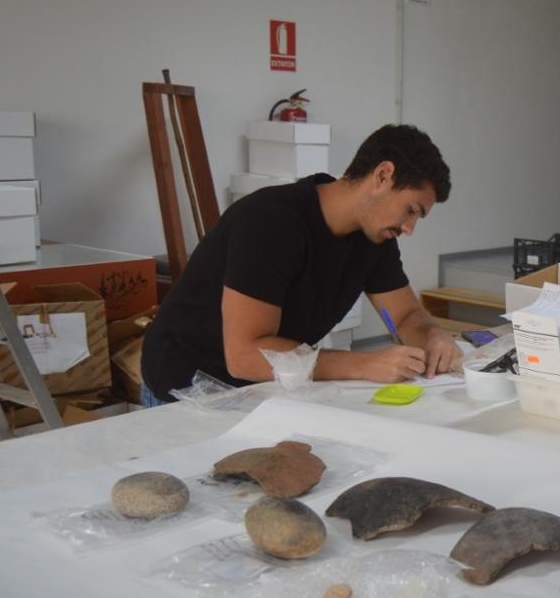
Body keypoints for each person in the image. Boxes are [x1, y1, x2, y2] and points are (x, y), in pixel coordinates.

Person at [141, 124, 461, 404]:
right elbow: (246, 355)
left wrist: (432, 335)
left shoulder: (375, 238)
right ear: (383, 175)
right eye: (411, 210)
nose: (409, 228)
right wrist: (363, 364)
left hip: (263, 389)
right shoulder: (271, 221)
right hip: (187, 389)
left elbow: (404, 315)